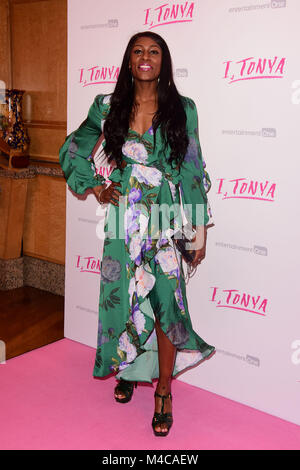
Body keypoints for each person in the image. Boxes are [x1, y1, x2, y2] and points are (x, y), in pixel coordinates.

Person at [59, 31, 215, 437]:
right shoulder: (107, 106)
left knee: (166, 302)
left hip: (163, 214)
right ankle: (127, 370)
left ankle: (163, 390)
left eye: (154, 51)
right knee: (125, 296)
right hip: (121, 219)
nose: (146, 57)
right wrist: (94, 184)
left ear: (164, 60)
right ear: (129, 61)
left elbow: (191, 168)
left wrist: (197, 229)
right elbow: (76, 146)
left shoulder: (183, 108)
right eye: (138, 51)